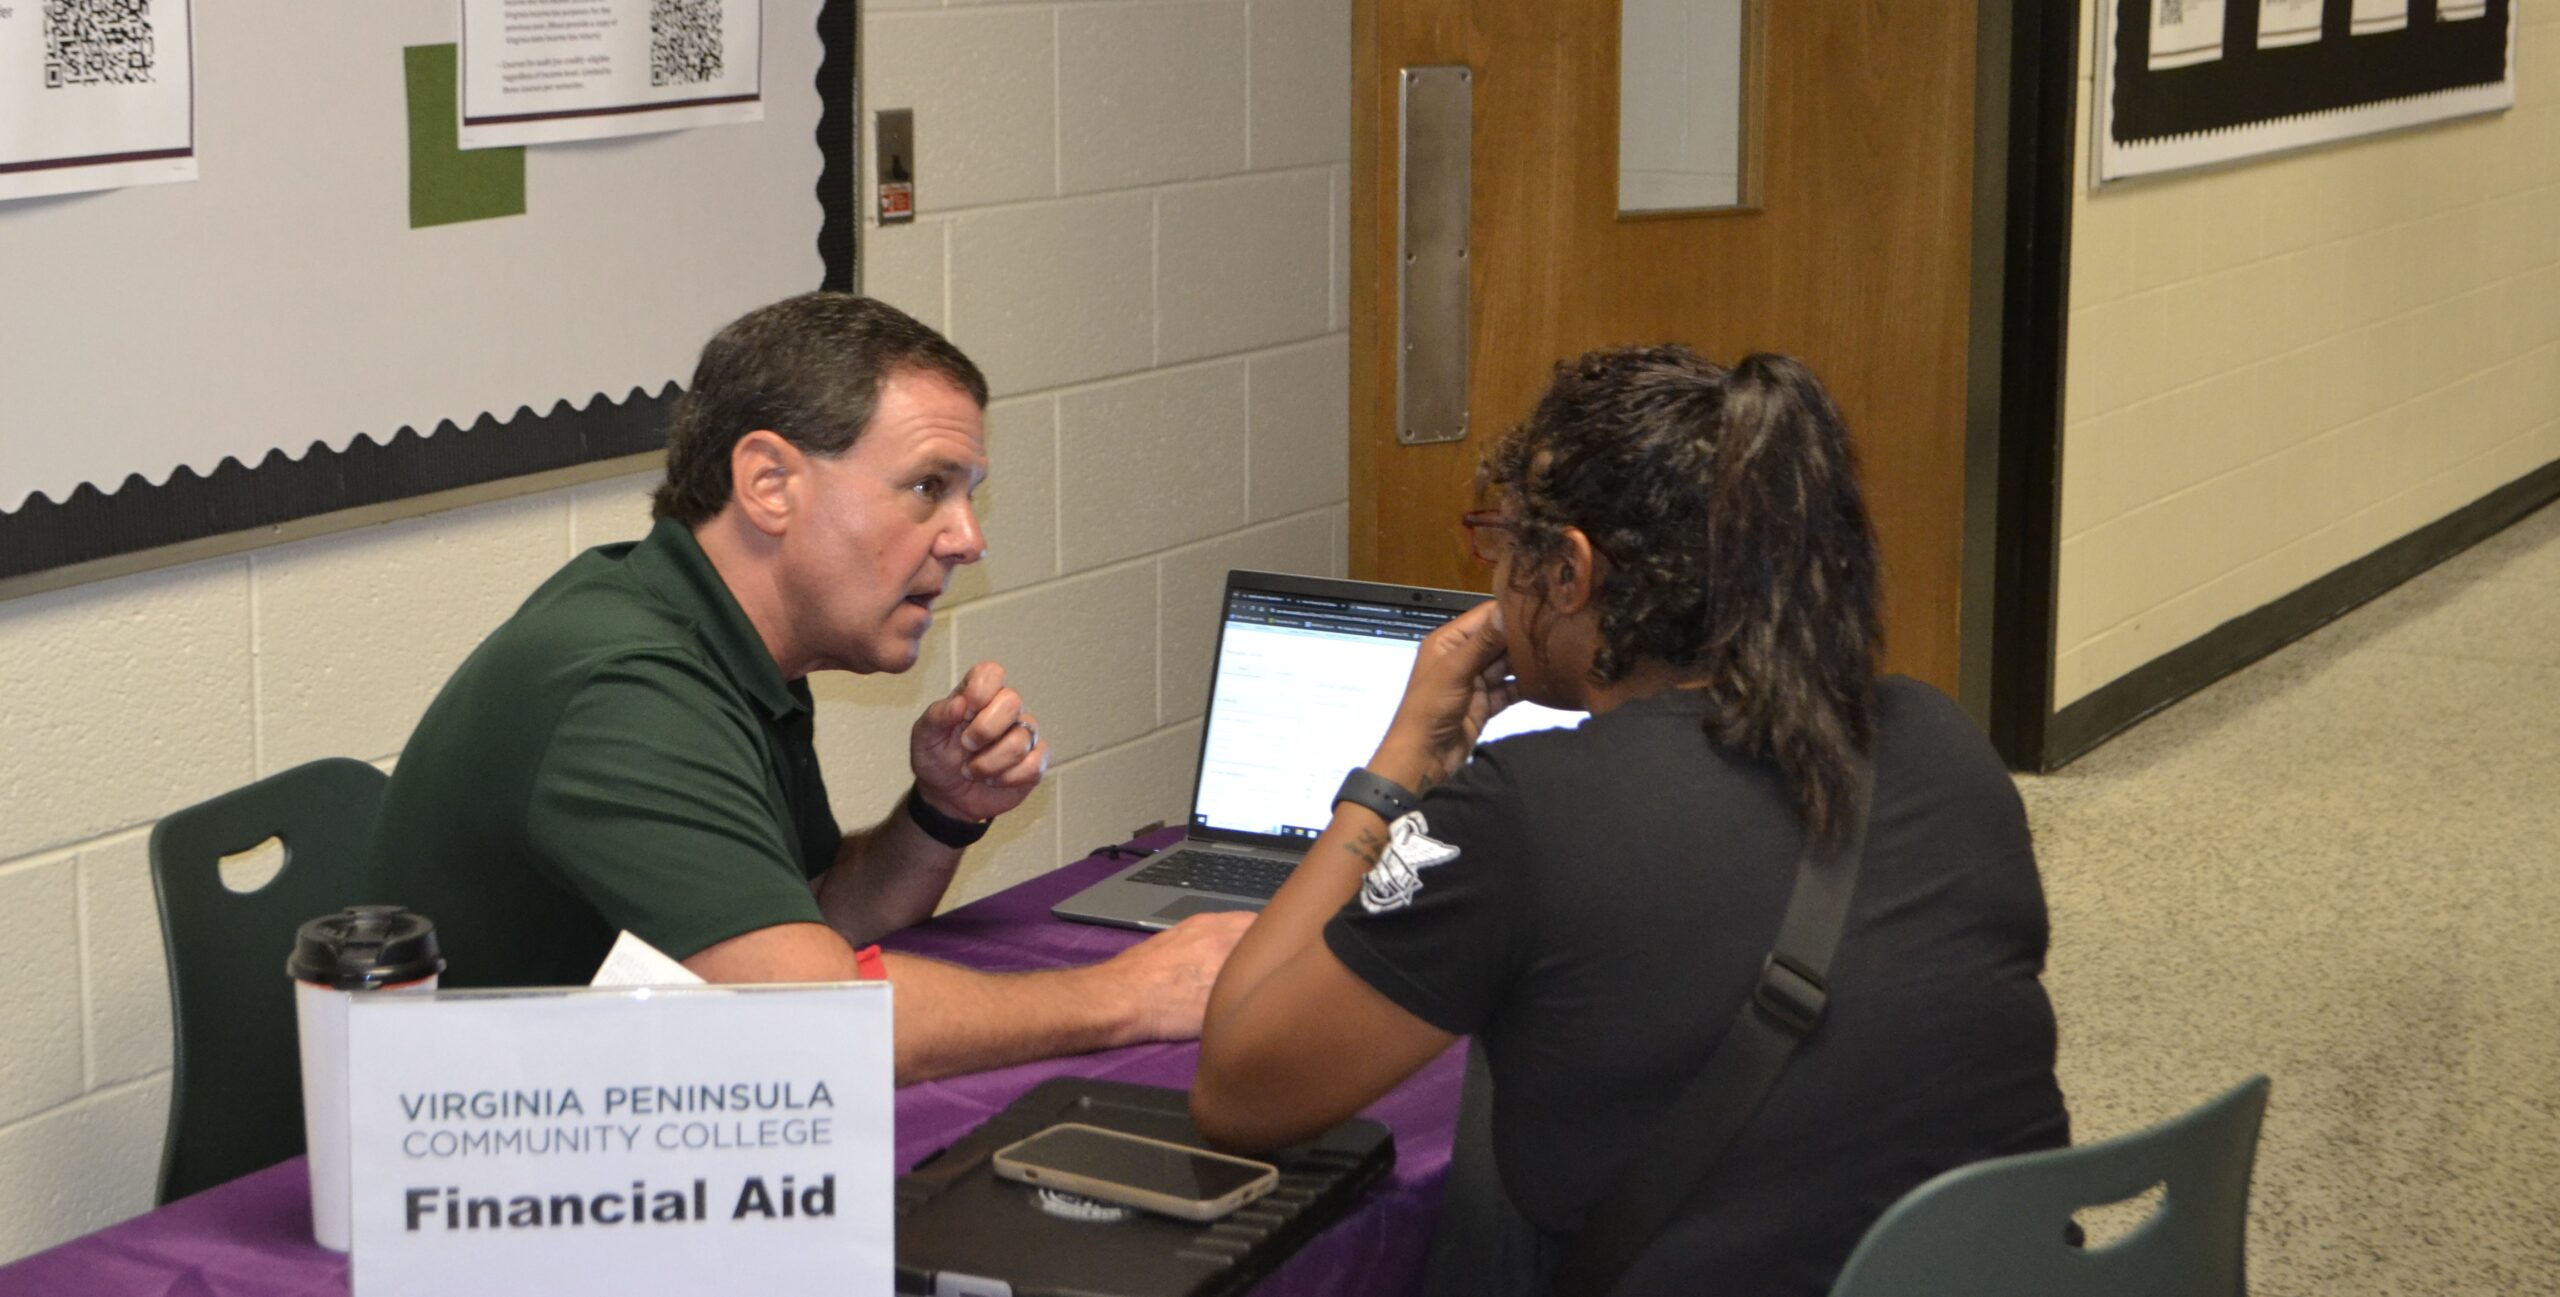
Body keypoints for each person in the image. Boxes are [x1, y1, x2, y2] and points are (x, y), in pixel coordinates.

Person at [1191, 346, 2069, 1295]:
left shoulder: (1523, 810)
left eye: (1503, 545)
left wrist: (1403, 757)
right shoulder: (1941, 737)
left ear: (1567, 572)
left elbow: (1238, 1087)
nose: (1495, 583)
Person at [368, 292, 1249, 1084]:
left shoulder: (715, 630)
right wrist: (1131, 994)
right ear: (768, 484)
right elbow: (813, 1016)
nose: (968, 537)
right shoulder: (625, 685)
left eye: (969, 494)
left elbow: (807, 928)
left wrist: (938, 814)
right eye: (927, 488)